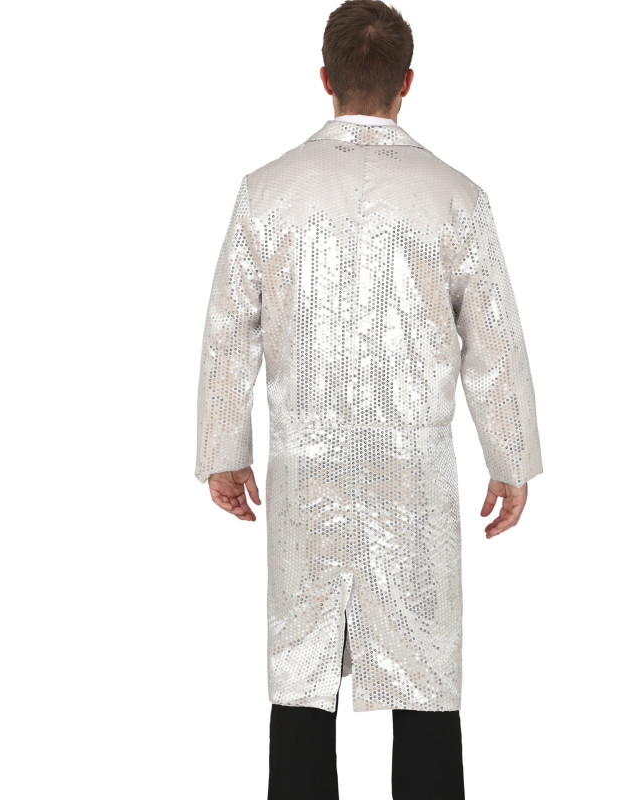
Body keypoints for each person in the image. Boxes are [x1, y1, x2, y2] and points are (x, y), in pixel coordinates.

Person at [194, 0, 543, 796]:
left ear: (324, 78)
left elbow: (228, 332)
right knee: (423, 681)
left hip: (306, 473)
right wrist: (511, 459)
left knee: (302, 676)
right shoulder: (456, 197)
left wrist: (224, 451)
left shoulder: (266, 193)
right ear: (407, 82)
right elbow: (493, 340)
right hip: (411, 477)